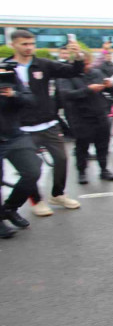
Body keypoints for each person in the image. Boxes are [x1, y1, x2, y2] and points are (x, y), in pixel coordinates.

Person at [5, 30, 81, 217]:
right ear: (13, 44)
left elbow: (73, 71)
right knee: (32, 168)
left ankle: (58, 194)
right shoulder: (6, 68)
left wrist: (77, 55)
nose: (29, 47)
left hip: (48, 123)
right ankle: (36, 200)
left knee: (62, 160)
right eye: (24, 44)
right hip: (21, 128)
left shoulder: (43, 64)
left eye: (32, 43)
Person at [58, 53, 113, 184]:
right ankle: (82, 172)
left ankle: (104, 169)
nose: (87, 67)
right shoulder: (67, 76)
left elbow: (108, 92)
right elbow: (66, 95)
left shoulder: (96, 73)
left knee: (103, 146)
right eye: (84, 64)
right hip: (81, 118)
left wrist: (109, 86)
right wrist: (88, 89)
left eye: (89, 63)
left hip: (100, 115)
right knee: (82, 147)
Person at [0, 68, 40, 237]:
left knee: (32, 171)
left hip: (14, 136)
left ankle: (9, 208)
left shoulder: (8, 75)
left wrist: (13, 94)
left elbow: (31, 100)